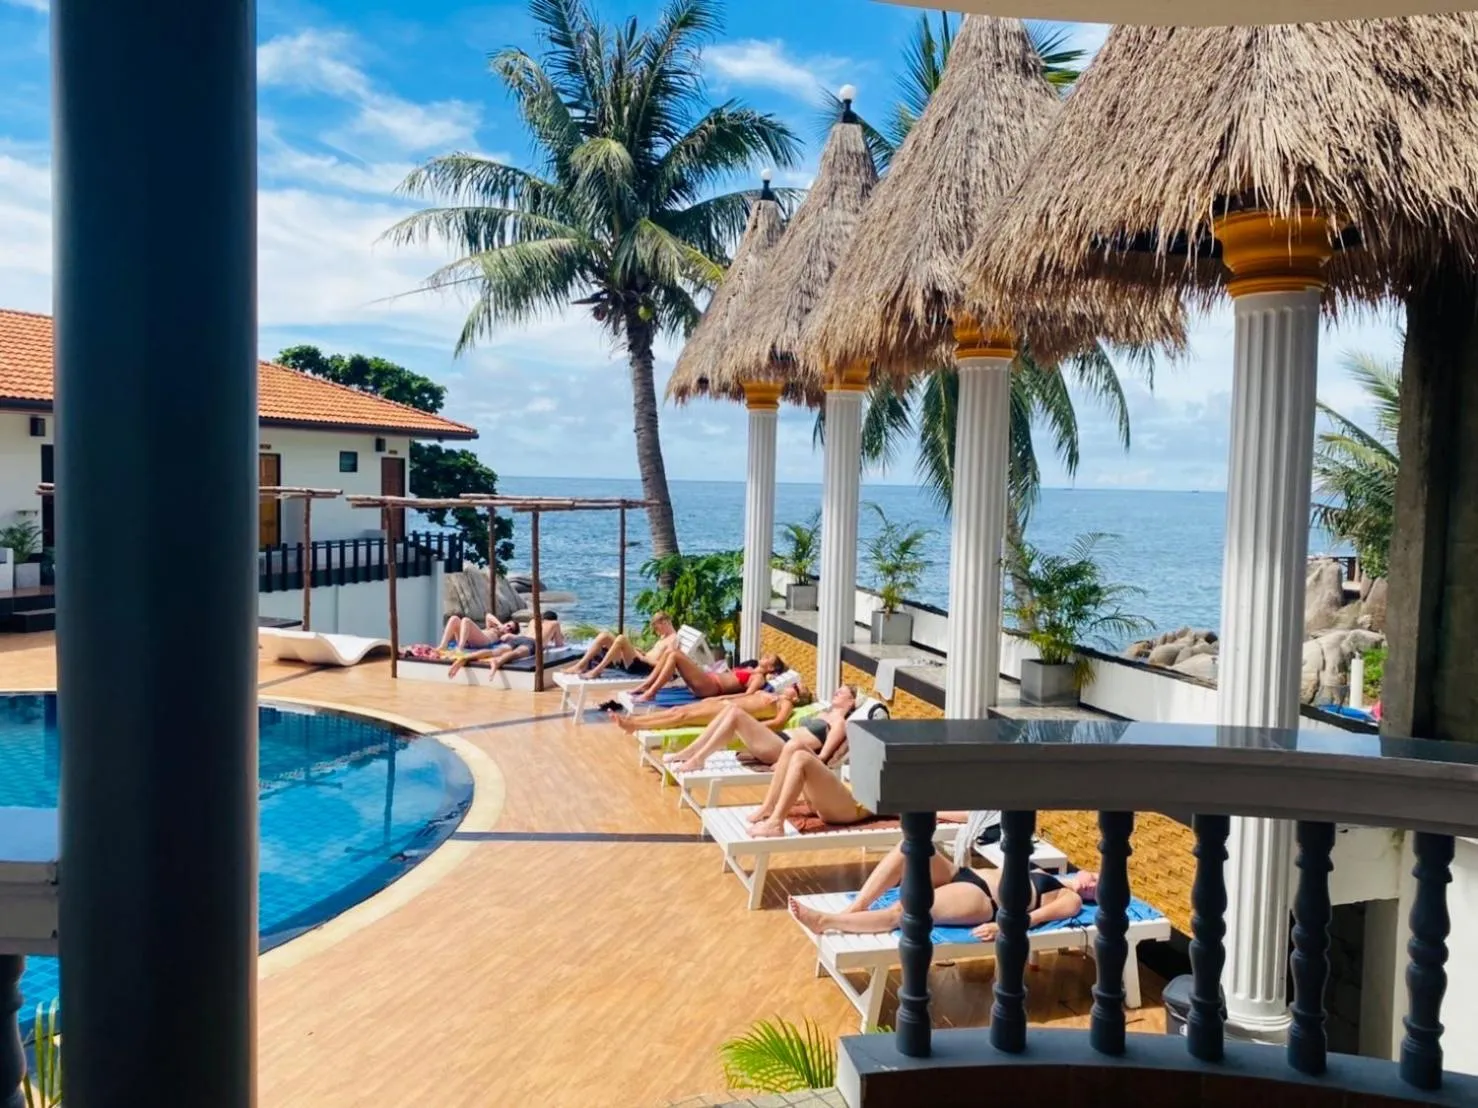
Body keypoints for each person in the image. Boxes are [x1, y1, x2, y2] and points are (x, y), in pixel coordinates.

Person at [789, 834, 1099, 938]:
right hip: (963, 873)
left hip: (982, 900)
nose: (1093, 884)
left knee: (908, 909)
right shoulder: (1052, 871)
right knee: (910, 846)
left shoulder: (1069, 898)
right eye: (1096, 877)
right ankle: (858, 906)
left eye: (1098, 890)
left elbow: (1032, 919)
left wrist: (1002, 928)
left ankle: (826, 922)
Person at [669, 683, 855, 775]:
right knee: (731, 710)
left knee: (734, 712)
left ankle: (698, 758)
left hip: (782, 749)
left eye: (842, 692)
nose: (836, 692)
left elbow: (822, 758)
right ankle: (692, 752)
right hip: (777, 741)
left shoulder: (839, 724)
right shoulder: (824, 714)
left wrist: (786, 762)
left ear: (851, 701)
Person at [745, 726, 879, 839]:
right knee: (794, 745)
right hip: (841, 793)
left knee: (801, 759)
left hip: (852, 807)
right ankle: (768, 806)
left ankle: (775, 823)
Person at [608, 681, 808, 734]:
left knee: (682, 716)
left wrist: (753, 729)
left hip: (727, 712)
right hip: (722, 704)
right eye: (794, 683)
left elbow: (779, 722)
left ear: (797, 698)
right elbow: (744, 695)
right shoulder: (771, 693)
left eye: (797, 688)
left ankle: (636, 725)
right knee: (676, 711)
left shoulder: (785, 704)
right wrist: (715, 699)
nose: (792, 686)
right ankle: (634, 722)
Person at [631, 651, 786, 703]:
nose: (763, 656)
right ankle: (647, 685)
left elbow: (747, 695)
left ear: (771, 668)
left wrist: (719, 699)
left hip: (710, 687)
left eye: (768, 658)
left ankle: (651, 692)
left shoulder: (758, 678)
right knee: (671, 652)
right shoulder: (750, 667)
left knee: (675, 656)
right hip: (707, 679)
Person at [447, 611, 565, 678]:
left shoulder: (533, 621)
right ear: (553, 618)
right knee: (516, 653)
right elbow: (559, 645)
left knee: (495, 651)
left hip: (521, 639)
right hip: (533, 643)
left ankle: (466, 657)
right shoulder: (555, 623)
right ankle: (498, 661)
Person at [563, 612, 677, 678]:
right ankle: (580, 666)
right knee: (605, 636)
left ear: (665, 622)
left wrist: (644, 658)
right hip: (639, 661)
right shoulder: (664, 637)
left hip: (645, 668)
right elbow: (655, 654)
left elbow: (668, 665)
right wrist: (642, 652)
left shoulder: (673, 640)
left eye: (657, 628)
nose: (656, 631)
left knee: (621, 638)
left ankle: (597, 670)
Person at [436, 612, 516, 651]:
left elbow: (515, 638)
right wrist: (500, 625)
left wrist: (507, 633)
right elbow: (488, 616)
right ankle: (443, 645)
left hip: (484, 641)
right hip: (470, 639)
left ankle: (460, 648)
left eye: (511, 629)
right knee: (454, 618)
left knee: (466, 620)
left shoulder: (503, 637)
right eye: (508, 625)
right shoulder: (491, 627)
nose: (508, 628)